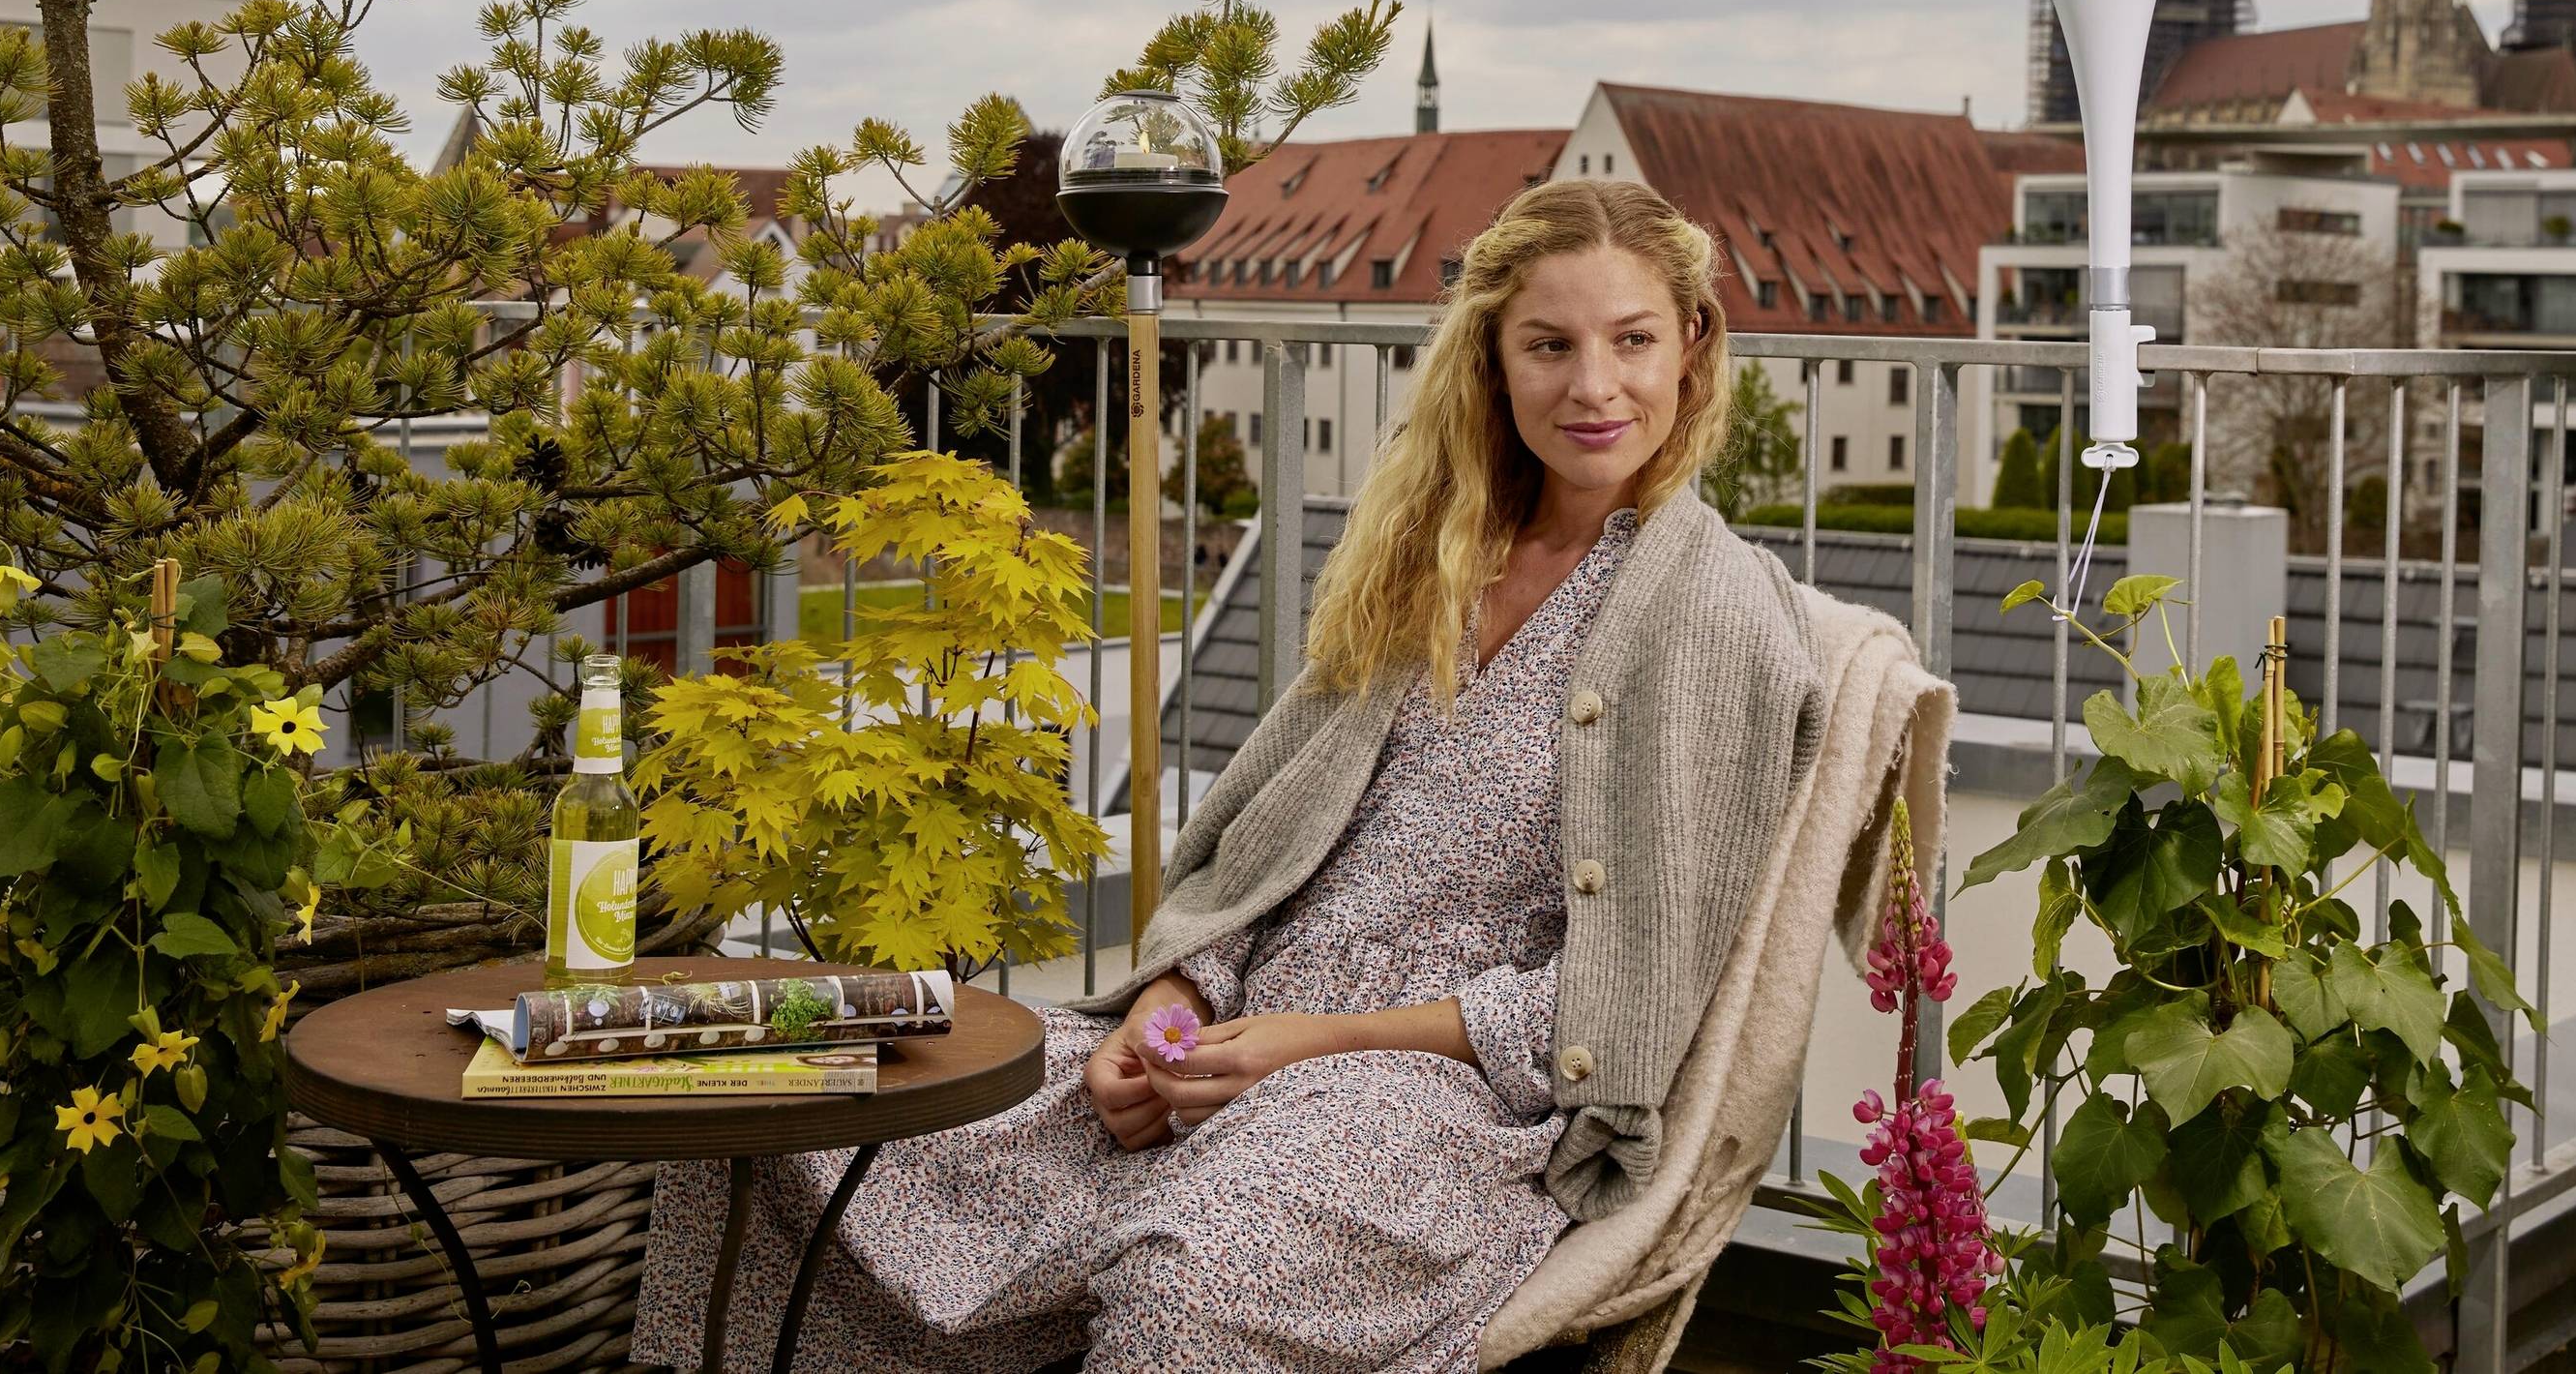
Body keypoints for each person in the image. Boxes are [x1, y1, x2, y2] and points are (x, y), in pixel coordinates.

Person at [637, 179, 1856, 1374]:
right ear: (1491, 357)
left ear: (1693, 347)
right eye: (1550, 344)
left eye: (1632, 340)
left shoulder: (1714, 622)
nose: (1594, 386)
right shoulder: (1430, 560)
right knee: (779, 1104)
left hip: (1434, 1100)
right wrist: (1169, 1004)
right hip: (1231, 1039)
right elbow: (1250, 845)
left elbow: (1625, 1002)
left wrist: (1315, 1045)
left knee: (1193, 1282)